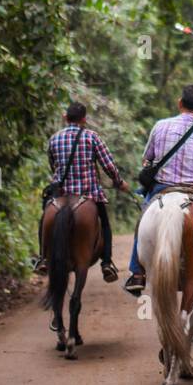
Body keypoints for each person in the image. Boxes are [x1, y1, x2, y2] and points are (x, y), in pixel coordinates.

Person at [123, 84, 193, 296]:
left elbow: (147, 158)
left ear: (180, 103)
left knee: (144, 216)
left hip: (163, 187)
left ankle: (137, 272)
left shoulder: (160, 126)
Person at [36, 102, 130, 282]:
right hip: (89, 193)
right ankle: (107, 263)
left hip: (60, 193)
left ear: (65, 117)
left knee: (44, 217)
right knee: (104, 224)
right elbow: (108, 165)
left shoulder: (54, 139)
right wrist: (119, 182)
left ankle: (43, 258)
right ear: (84, 120)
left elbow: (53, 165)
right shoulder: (92, 137)